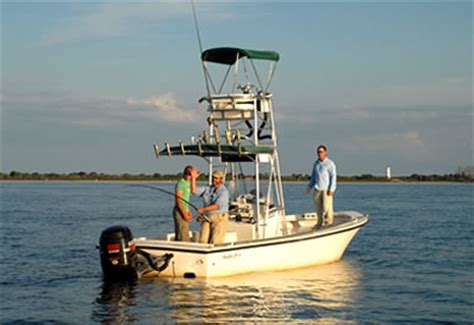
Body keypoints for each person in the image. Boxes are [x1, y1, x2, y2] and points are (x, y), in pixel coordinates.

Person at [195, 170, 229, 244]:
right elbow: (194, 191)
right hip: (207, 217)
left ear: (221, 179)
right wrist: (193, 178)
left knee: (216, 241)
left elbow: (217, 206)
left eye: (216, 178)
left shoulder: (224, 191)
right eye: (213, 177)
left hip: (219, 217)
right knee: (202, 240)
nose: (214, 179)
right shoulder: (208, 188)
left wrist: (203, 209)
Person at [306, 145, 337, 227]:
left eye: (321, 152)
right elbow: (313, 176)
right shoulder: (316, 164)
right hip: (317, 188)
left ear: (325, 152)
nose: (319, 153)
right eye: (318, 152)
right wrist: (309, 186)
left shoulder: (330, 163)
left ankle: (329, 224)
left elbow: (333, 176)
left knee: (327, 208)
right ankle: (319, 223)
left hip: (326, 189)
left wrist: (331, 189)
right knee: (318, 208)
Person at [173, 165, 199, 241]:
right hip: (179, 211)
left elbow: (186, 200)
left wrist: (188, 211)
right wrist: (184, 214)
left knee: (182, 232)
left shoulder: (188, 182)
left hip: (185, 210)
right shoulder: (181, 183)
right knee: (183, 235)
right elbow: (178, 201)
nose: (190, 177)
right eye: (188, 174)